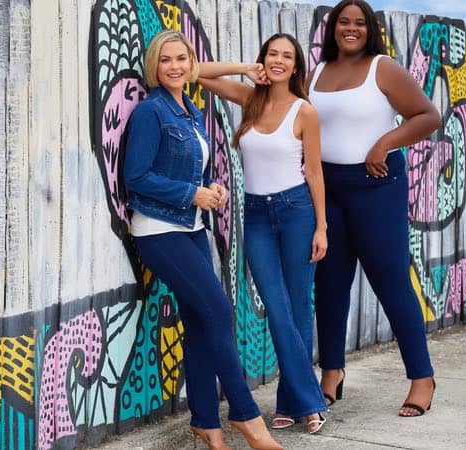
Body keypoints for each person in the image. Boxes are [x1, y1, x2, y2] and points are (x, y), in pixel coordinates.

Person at [123, 30, 282, 450]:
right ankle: (245, 414)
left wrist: (211, 187)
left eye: (181, 59)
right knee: (218, 311)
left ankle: (207, 424)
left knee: (199, 322)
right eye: (165, 60)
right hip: (159, 230)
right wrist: (191, 193)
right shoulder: (151, 112)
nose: (174, 67)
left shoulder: (190, 111)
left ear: (190, 63)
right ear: (154, 66)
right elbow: (136, 177)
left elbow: (189, 166)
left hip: (192, 227)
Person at [307, 0, 441, 417]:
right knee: (329, 284)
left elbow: (428, 116)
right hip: (328, 189)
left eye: (360, 23)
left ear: (370, 29)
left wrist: (385, 143)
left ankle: (422, 377)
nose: (351, 29)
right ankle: (332, 373)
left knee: (390, 280)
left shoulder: (382, 68)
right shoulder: (316, 72)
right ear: (333, 28)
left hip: (376, 185)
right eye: (344, 22)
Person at [197, 33, 328, 434]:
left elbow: (314, 171)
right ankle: (310, 400)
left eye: (287, 56)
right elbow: (196, 72)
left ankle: (293, 401)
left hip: (297, 212)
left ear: (296, 65)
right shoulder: (249, 99)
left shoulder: (305, 111)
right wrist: (244, 69)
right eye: (272, 53)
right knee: (276, 306)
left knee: (297, 309)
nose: (278, 60)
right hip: (255, 215)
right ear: (263, 59)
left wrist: (322, 226)